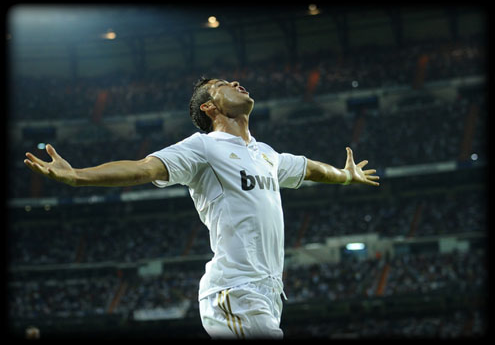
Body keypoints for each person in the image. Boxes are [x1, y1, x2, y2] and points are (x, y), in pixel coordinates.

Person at [24, 76, 380, 339]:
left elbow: (310, 168)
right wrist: (77, 176)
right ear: (209, 107)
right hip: (235, 290)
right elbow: (143, 167)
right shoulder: (202, 148)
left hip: (269, 292)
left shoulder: (266, 155)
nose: (237, 82)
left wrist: (345, 176)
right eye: (224, 84)